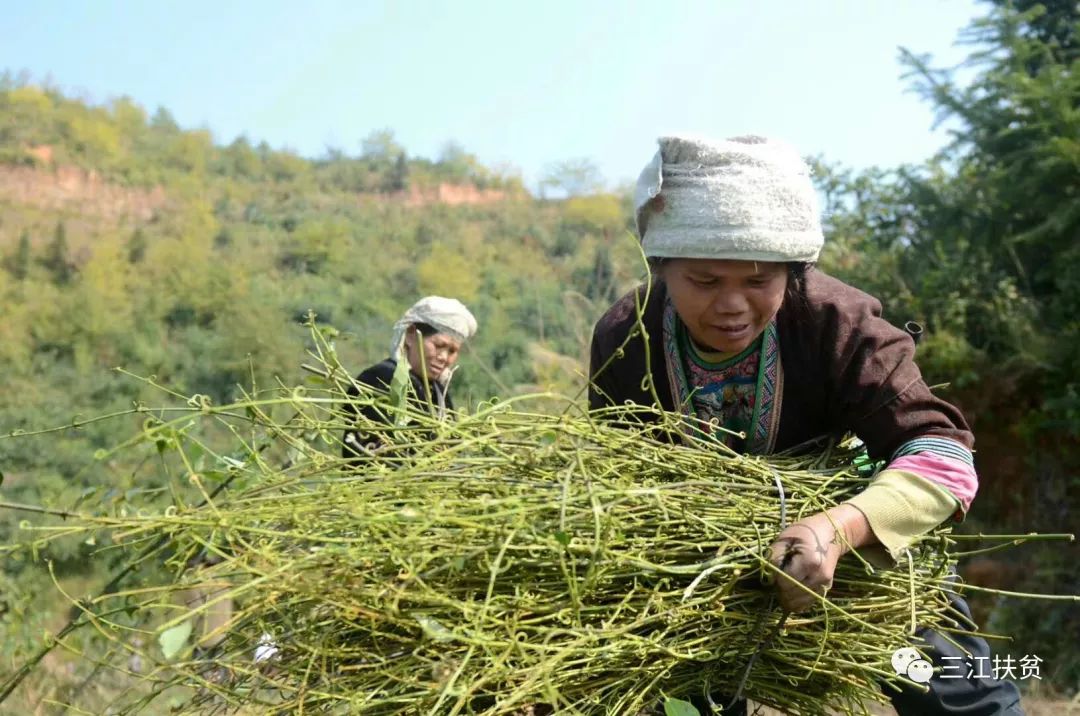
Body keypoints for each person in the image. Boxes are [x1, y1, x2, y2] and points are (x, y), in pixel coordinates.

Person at [588, 135, 1023, 715]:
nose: (732, 305)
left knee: (955, 690)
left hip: (860, 544)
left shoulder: (835, 324)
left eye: (757, 280)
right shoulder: (626, 338)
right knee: (686, 700)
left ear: (791, 271)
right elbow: (616, 479)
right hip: (699, 569)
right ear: (661, 267)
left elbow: (945, 459)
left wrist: (836, 530)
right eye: (705, 281)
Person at [342, 296, 477, 459]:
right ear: (411, 335)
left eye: (452, 351)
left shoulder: (438, 392)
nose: (443, 357)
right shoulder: (381, 379)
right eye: (438, 346)